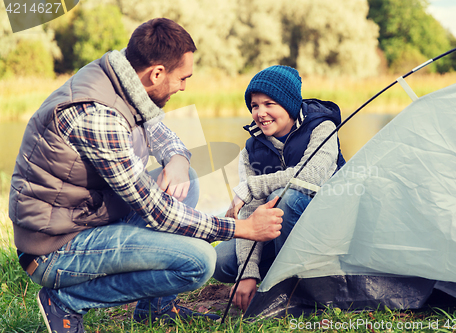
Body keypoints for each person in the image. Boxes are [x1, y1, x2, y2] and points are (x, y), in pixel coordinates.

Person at [9, 18, 284, 332]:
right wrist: (241, 227)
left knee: (187, 179)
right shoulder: (99, 116)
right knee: (199, 263)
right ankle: (66, 302)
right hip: (54, 250)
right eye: (183, 78)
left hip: (84, 218)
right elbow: (158, 213)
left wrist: (178, 159)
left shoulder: (123, 80)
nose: (183, 87)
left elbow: (163, 136)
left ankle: (154, 309)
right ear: (157, 73)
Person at [213, 65, 346, 311]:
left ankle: (300, 285)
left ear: (289, 103)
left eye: (269, 103)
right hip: (278, 234)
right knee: (221, 261)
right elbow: (249, 210)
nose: (260, 113)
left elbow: (311, 175)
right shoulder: (252, 149)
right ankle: (272, 274)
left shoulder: (322, 127)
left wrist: (252, 186)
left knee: (284, 198)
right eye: (254, 106)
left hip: (328, 231)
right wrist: (247, 273)